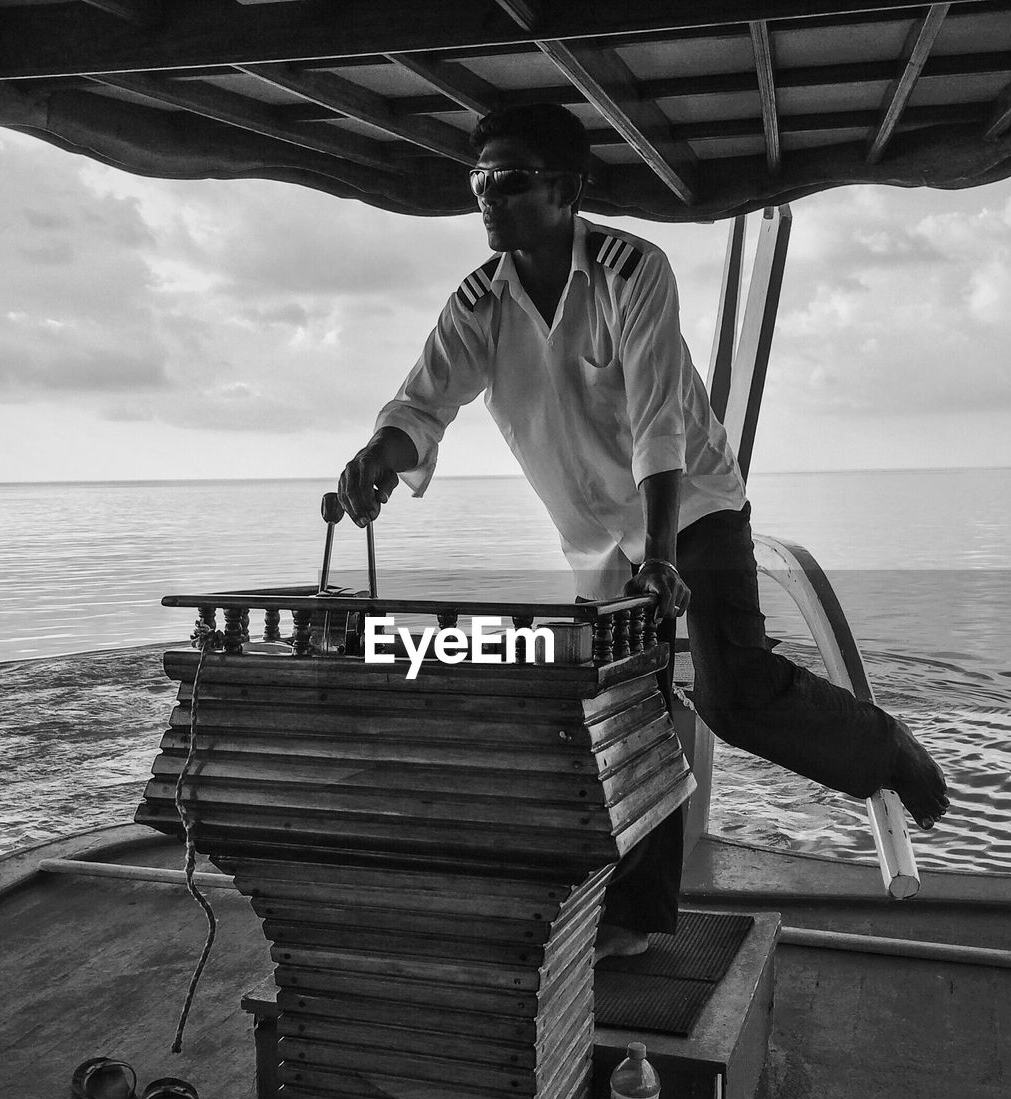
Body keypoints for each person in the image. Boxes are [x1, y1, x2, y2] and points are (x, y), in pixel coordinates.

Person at [337, 104, 948, 958]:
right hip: (596, 541)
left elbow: (659, 422)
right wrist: (379, 456)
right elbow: (423, 405)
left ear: (567, 189)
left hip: (689, 505)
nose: (488, 198)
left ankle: (887, 748)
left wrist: (662, 558)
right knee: (626, 716)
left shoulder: (632, 270)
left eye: (509, 180)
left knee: (732, 691)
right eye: (478, 181)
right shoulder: (478, 301)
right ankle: (635, 916)